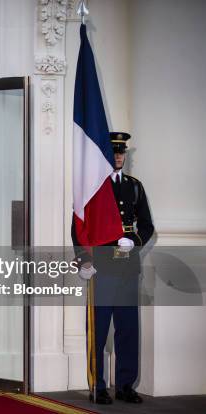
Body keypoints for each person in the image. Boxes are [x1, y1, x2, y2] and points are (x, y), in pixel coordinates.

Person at [73, 132, 154, 405]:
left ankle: (126, 385)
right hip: (102, 267)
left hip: (128, 267)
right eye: (114, 152)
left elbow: (146, 224)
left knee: (128, 328)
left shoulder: (134, 186)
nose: (118, 157)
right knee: (97, 329)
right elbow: (78, 227)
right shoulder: (93, 187)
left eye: (122, 153)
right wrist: (83, 260)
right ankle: (97, 385)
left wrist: (134, 241)